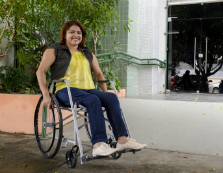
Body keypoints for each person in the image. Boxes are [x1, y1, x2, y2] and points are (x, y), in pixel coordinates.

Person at [36, 20, 147, 157]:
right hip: (65, 90)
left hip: (87, 89)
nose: (76, 35)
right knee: (93, 100)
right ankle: (98, 145)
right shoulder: (55, 50)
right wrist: (46, 95)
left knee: (111, 97)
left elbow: (99, 74)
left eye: (79, 33)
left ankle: (122, 140)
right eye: (72, 32)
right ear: (64, 34)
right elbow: (40, 71)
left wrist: (106, 96)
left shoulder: (86, 52)